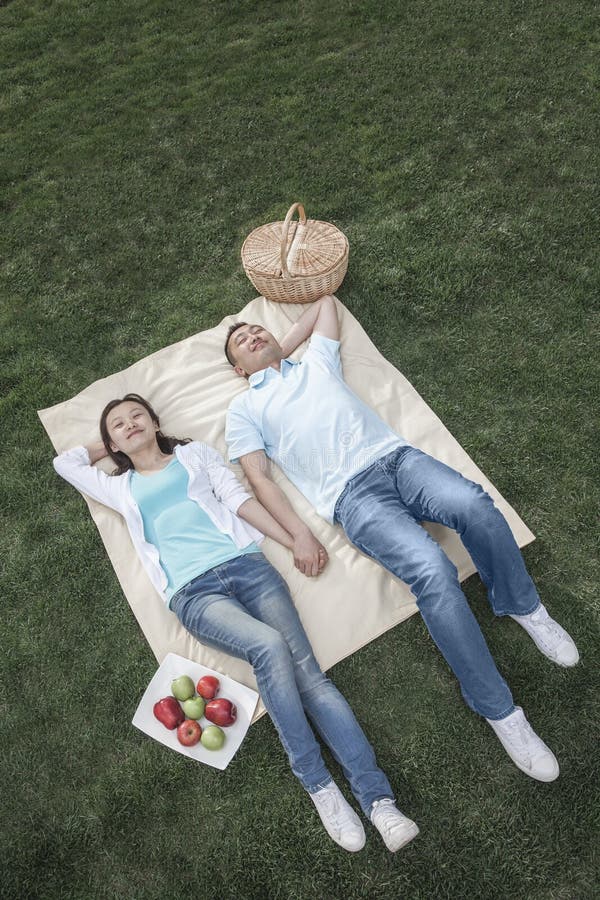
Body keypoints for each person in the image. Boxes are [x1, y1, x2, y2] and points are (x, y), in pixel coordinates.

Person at [224, 296, 579, 784]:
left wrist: (278, 352)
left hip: (399, 460)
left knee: (475, 506)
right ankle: (499, 710)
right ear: (237, 370)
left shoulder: (315, 362)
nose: (252, 337)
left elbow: (325, 304)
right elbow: (259, 479)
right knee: (432, 571)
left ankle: (523, 606)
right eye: (241, 343)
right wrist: (299, 534)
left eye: (256, 331)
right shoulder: (244, 408)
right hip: (352, 497)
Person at [53, 393, 420, 854]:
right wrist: (112, 446)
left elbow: (239, 501)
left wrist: (294, 539)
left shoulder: (194, 455)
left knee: (311, 679)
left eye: (137, 416)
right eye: (118, 425)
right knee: (268, 646)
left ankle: (380, 802)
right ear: (112, 445)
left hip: (249, 568)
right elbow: (66, 463)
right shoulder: (118, 487)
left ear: (156, 421)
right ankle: (318, 784)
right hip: (194, 592)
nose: (129, 424)